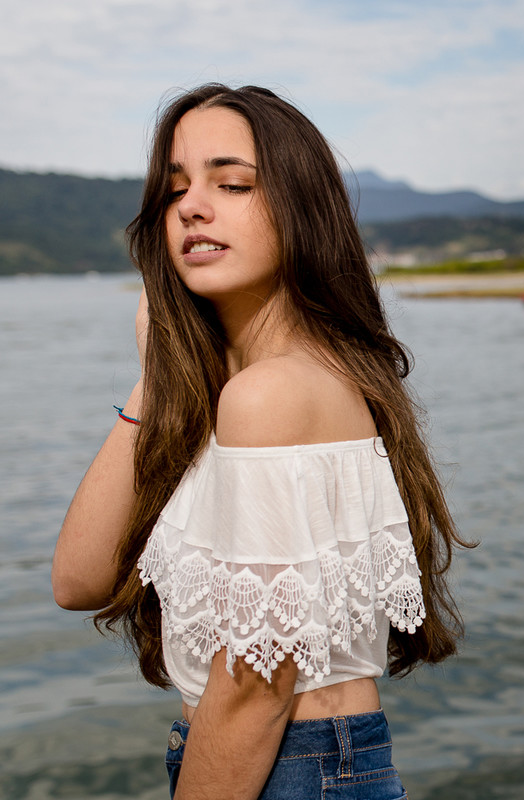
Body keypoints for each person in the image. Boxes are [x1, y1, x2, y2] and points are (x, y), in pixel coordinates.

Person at [50, 84, 471, 799]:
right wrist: (158, 376)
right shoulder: (245, 387)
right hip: (265, 761)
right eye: (174, 188)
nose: (191, 206)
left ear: (301, 208)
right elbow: (78, 581)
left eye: (233, 182)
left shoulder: (271, 395)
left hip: (290, 768)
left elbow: (256, 686)